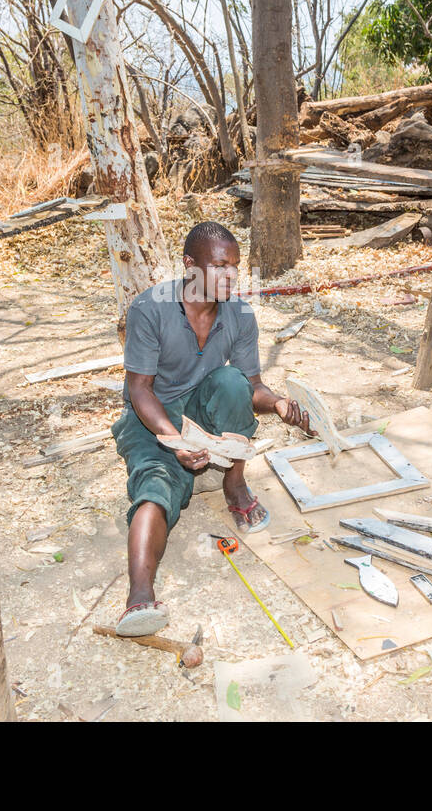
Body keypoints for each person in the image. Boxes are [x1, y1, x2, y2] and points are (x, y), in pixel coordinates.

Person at [111, 221, 311, 636]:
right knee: (157, 488)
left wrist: (277, 403)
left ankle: (234, 484)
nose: (231, 276)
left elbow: (251, 387)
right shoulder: (150, 308)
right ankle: (139, 598)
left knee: (231, 382)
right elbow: (139, 390)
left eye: (235, 266)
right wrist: (176, 442)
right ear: (190, 265)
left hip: (200, 403)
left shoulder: (239, 314)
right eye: (219, 266)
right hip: (154, 416)